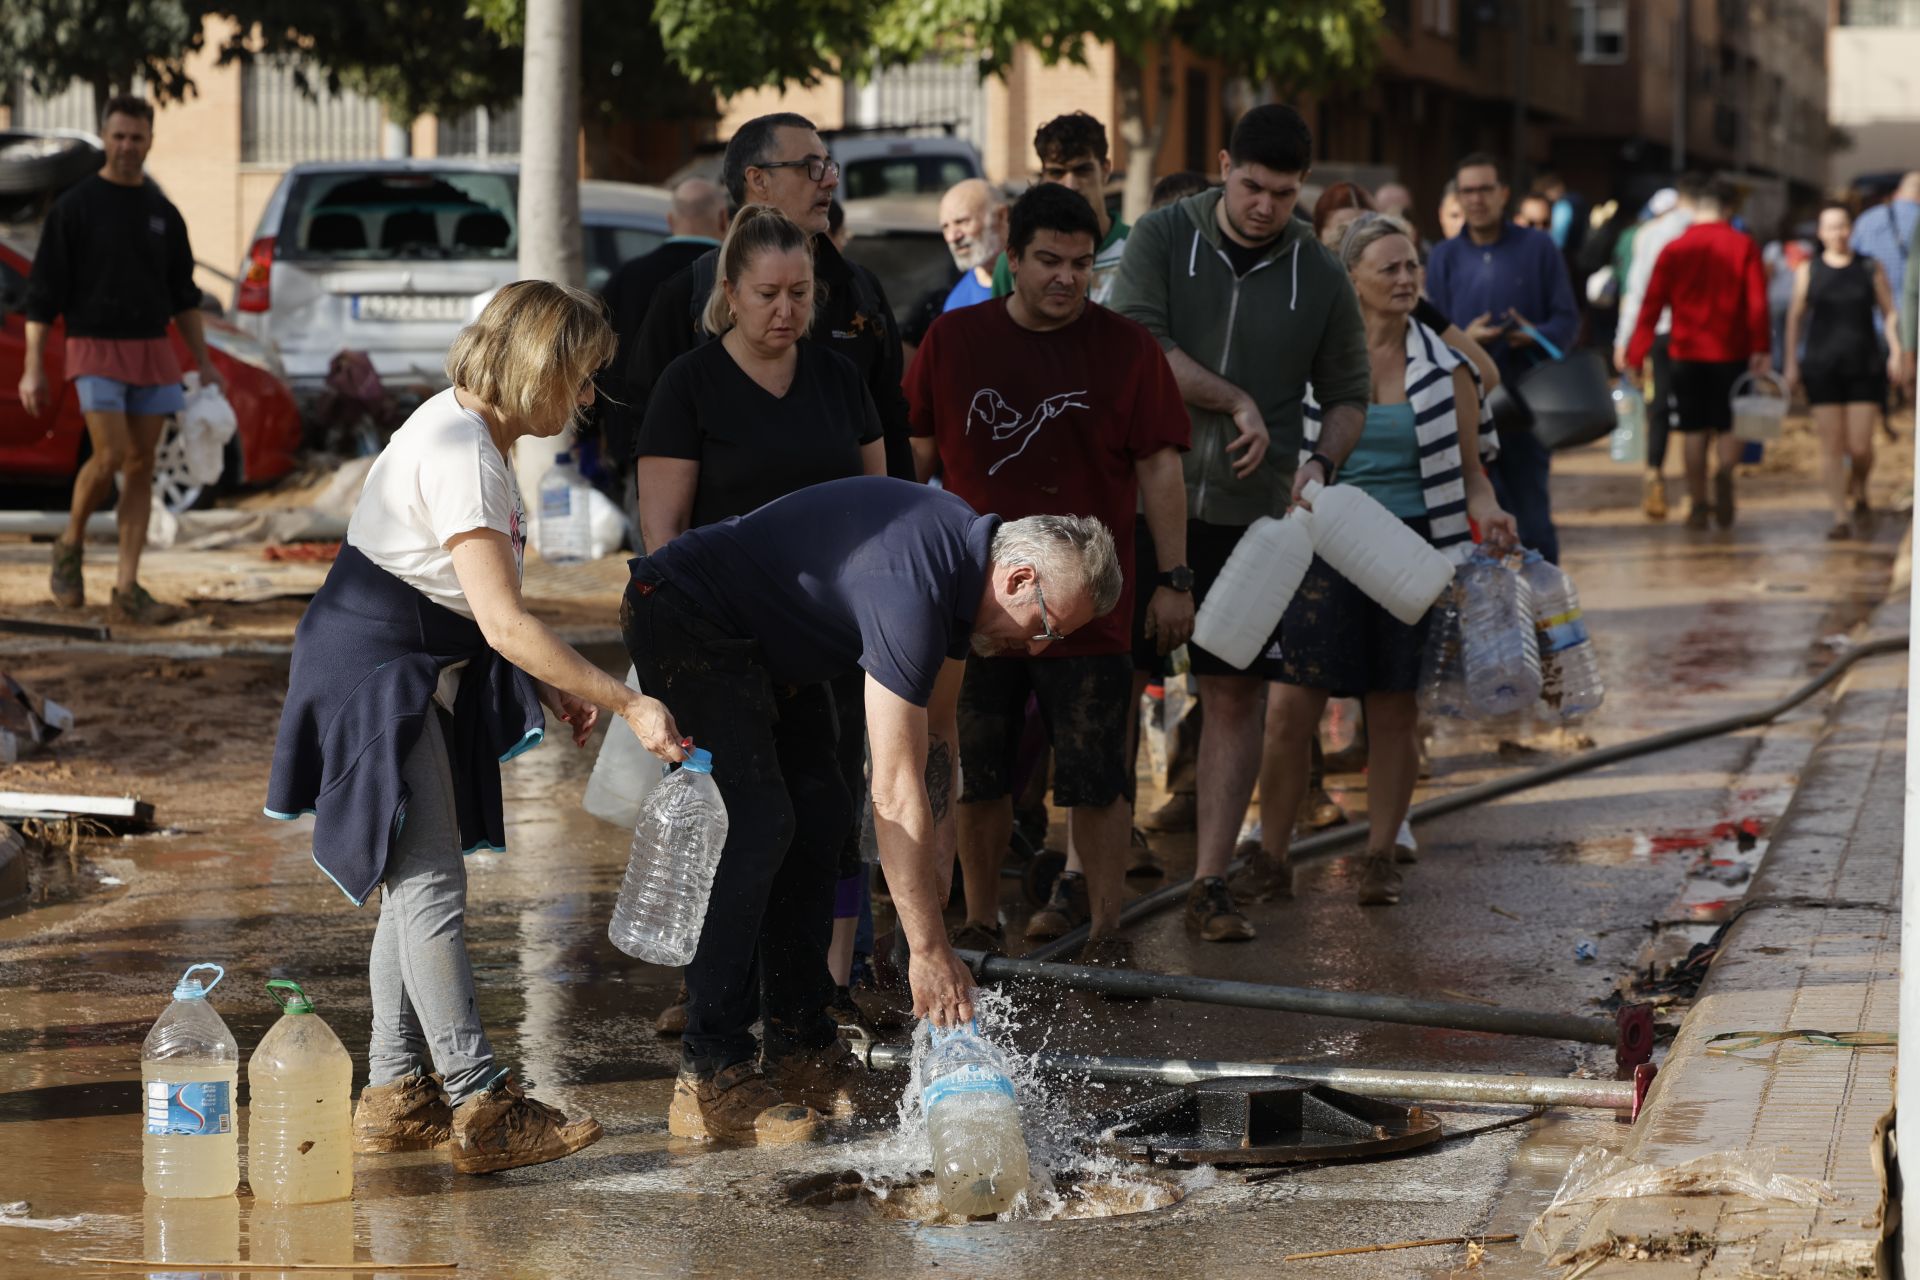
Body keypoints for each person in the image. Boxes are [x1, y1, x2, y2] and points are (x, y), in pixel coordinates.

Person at [267, 281, 678, 1174]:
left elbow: (473, 602)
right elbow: (502, 623)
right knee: (430, 888)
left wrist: (549, 685)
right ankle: (480, 1100)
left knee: (412, 884)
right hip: (379, 677)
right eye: (579, 379)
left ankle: (394, 1091)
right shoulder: (462, 451)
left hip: (392, 664)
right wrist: (626, 700)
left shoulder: (467, 430)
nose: (586, 400)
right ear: (538, 367)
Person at [622, 478, 1121, 1141]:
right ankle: (711, 1071)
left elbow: (938, 738)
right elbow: (893, 787)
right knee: (754, 825)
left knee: (822, 818)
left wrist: (932, 903)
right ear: (1018, 577)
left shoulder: (960, 569)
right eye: (1046, 626)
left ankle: (801, 1048)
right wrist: (927, 949)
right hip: (686, 611)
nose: (1037, 649)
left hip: (771, 646)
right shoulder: (915, 585)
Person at [906, 183, 1192, 965]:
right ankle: (976, 922)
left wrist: (1175, 577)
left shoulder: (1128, 348)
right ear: (1011, 258)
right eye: (1048, 261)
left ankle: (1105, 932)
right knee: (979, 770)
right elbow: (914, 466)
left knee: (1099, 775)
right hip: (980, 606)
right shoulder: (954, 340)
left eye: (1081, 263)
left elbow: (1162, 470)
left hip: (1092, 606)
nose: (1067, 277)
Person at [1110, 102, 1369, 943]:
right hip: (1145, 500)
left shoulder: (1320, 272)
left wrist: (1321, 464)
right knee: (1113, 686)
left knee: (1233, 692)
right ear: (1224, 165)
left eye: (1284, 193)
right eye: (1253, 185)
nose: (1265, 206)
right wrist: (1238, 399)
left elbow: (1349, 395)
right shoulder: (1160, 237)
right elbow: (1139, 347)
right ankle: (1094, 876)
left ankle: (1210, 880)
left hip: (1255, 521)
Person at [633, 204, 889, 1038]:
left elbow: (874, 511)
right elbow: (662, 537)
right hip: (712, 636)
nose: (786, 311)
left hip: (815, 639)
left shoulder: (838, 379)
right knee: (751, 819)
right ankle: (717, 1025)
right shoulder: (691, 384)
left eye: (801, 293)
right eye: (768, 294)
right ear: (730, 295)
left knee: (822, 814)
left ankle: (802, 1014)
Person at [1259, 216, 1515, 905]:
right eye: (1389, 270)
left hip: (1414, 553)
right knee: (1289, 709)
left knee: (1393, 711)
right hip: (1323, 547)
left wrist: (1486, 510)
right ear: (1352, 282)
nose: (1405, 281)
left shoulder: (1448, 370)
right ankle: (1270, 856)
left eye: (1413, 269)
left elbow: (1474, 475)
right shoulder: (1308, 363)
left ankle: (1378, 855)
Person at [618, 112, 914, 484]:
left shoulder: (859, 291)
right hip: (723, 539)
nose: (830, 180)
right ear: (758, 180)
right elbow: (647, 428)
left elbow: (890, 420)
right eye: (810, 167)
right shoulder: (688, 293)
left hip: (846, 537)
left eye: (828, 165)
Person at [20, 94, 223, 626]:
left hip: (152, 350)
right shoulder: (75, 207)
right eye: (118, 137)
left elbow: (184, 295)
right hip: (93, 346)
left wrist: (202, 360)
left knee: (141, 465)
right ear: (104, 138)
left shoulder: (162, 213)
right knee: (109, 455)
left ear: (150, 140)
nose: (127, 147)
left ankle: (127, 587)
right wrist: (33, 365)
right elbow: (41, 294)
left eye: (137, 137)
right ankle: (69, 546)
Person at [1426, 152, 1580, 563]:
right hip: (1466, 409)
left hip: (1528, 405)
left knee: (1532, 517)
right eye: (1468, 191)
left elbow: (1567, 319)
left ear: (1503, 194)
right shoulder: (1443, 256)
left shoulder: (1539, 247)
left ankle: (1545, 616)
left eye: (1485, 189)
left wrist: (1533, 334)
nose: (1476, 199)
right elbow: (1427, 335)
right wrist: (1467, 339)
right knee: (1473, 523)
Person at [1623, 180, 1770, 530]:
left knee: (1692, 429)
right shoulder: (1743, 244)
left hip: (1685, 352)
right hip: (1731, 351)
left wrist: (1635, 352)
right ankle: (1724, 473)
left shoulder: (1674, 248)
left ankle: (1698, 503)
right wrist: (1762, 347)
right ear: (1728, 210)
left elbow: (1651, 304)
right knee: (1730, 424)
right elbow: (1757, 303)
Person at [597, 177, 730, 490]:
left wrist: (597, 436)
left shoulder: (627, 277)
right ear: (724, 219)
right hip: (720, 451)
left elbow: (597, 361)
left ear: (671, 221)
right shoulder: (736, 278)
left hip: (639, 448)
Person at [1785, 202, 1904, 539]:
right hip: (1822, 365)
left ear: (1851, 229)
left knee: (1861, 446)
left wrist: (1896, 351)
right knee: (1831, 446)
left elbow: (1890, 312)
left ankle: (1860, 486)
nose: (1838, 233)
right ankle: (1840, 516)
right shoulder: (1808, 271)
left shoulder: (1869, 267)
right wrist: (1791, 362)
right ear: (1820, 234)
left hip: (1864, 364)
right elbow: (1795, 318)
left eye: (1843, 226)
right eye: (1830, 227)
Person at [989, 112, 1130, 305]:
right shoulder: (1016, 260)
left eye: (1082, 170)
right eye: (1057, 172)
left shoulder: (1137, 250)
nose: (1070, 184)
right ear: (1043, 177)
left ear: (1105, 170)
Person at [1616, 183, 1695, 521]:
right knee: (1696, 416)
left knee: (1658, 408)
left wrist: (1627, 342)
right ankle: (1697, 493)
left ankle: (1654, 476)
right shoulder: (1705, 230)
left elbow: (1637, 293)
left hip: (1658, 335)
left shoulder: (1646, 234)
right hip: (1696, 336)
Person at [1850, 172, 1919, 324]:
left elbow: (1850, 263)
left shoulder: (1867, 219)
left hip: (1877, 319)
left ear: (1898, 192)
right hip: (1915, 320)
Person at [938, 178, 1007, 313]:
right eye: (945, 227)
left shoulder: (1040, 280)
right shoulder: (958, 305)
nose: (952, 237)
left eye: (962, 221)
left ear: (1001, 216)